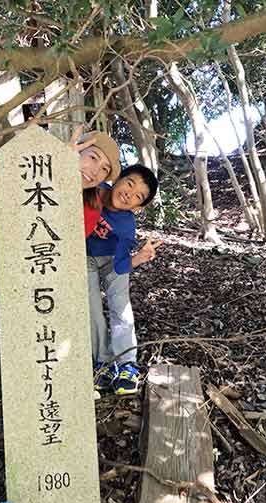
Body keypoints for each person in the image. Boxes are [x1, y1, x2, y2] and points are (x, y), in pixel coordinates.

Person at [86, 164, 162, 395]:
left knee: (120, 306)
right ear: (116, 179)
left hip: (112, 259)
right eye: (129, 183)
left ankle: (127, 363)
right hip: (83, 256)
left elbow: (120, 266)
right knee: (91, 309)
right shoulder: (92, 191)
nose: (130, 194)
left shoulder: (126, 224)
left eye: (138, 196)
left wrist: (138, 258)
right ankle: (103, 362)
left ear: (138, 207)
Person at [67, 127, 121, 235]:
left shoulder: (92, 208)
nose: (95, 171)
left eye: (104, 169)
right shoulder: (41, 174)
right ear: (77, 152)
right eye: (93, 158)